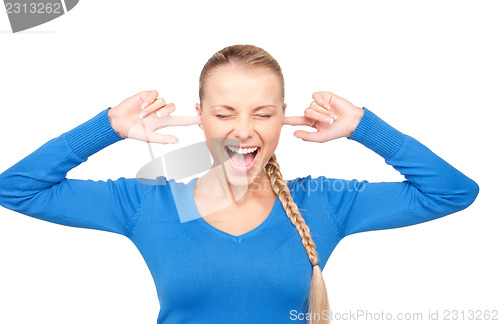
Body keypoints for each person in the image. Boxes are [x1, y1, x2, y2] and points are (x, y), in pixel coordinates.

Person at [0, 44, 479, 324]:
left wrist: (364, 128)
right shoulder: (149, 203)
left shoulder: (323, 203)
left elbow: (451, 192)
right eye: (225, 113)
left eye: (263, 114)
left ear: (283, 119)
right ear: (200, 116)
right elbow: (17, 188)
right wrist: (106, 127)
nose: (244, 130)